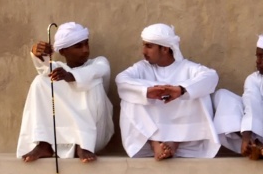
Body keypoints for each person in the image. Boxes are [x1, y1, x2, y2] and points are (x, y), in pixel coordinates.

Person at [116, 23, 220, 160]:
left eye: (149, 46)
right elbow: (121, 79)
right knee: (131, 95)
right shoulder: (142, 68)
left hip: (184, 126)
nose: (143, 51)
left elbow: (211, 76)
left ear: (165, 49)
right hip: (151, 127)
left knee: (197, 90)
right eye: (144, 45)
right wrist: (147, 91)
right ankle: (155, 142)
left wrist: (181, 89)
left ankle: (174, 141)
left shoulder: (187, 68)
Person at [17, 22, 114, 164]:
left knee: (94, 82)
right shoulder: (59, 68)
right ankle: (44, 143)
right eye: (78, 46)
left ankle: (83, 143)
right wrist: (38, 53)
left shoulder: (98, 62)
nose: (85, 50)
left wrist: (71, 76)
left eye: (86, 44)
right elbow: (45, 69)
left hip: (95, 136)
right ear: (62, 51)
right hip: (61, 140)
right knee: (41, 81)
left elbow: (99, 70)